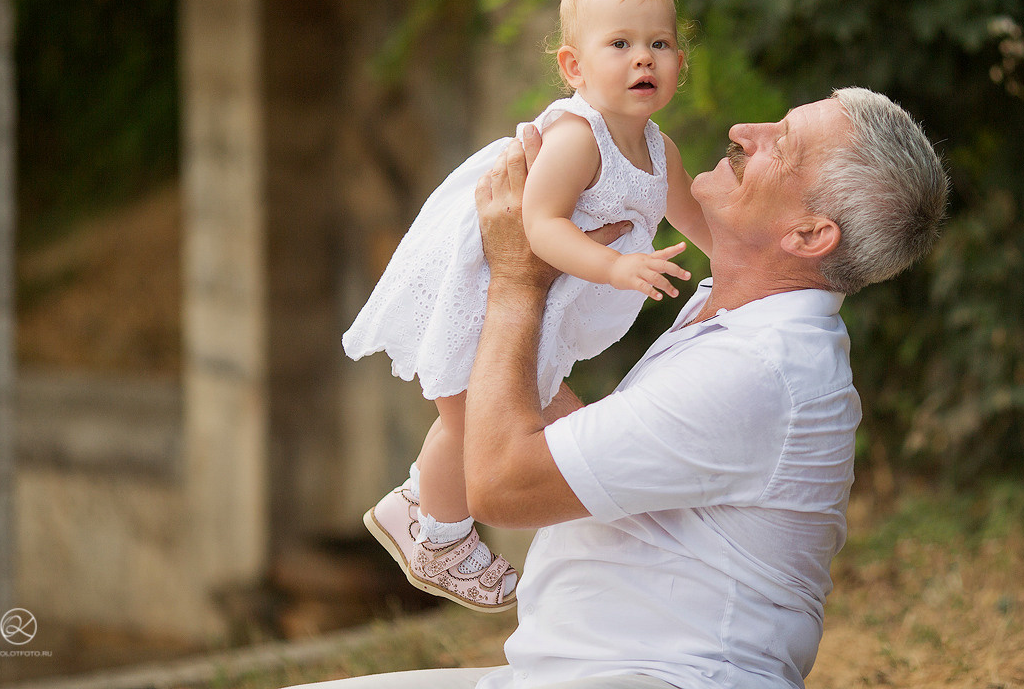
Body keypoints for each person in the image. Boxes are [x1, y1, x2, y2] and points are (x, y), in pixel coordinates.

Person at [292, 85, 948, 688]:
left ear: (809, 234)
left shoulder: (760, 368)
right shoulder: (735, 318)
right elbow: (578, 450)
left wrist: (517, 280)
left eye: (784, 144)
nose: (745, 131)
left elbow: (501, 485)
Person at [343, 0, 707, 612]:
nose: (643, 58)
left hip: (541, 302)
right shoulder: (577, 138)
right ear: (574, 67)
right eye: (619, 44)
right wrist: (615, 268)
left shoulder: (660, 150)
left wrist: (738, 259)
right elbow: (539, 227)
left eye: (659, 43)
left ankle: (417, 503)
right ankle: (440, 538)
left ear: (680, 61)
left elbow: (694, 217)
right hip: (485, 286)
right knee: (472, 416)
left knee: (510, 408)